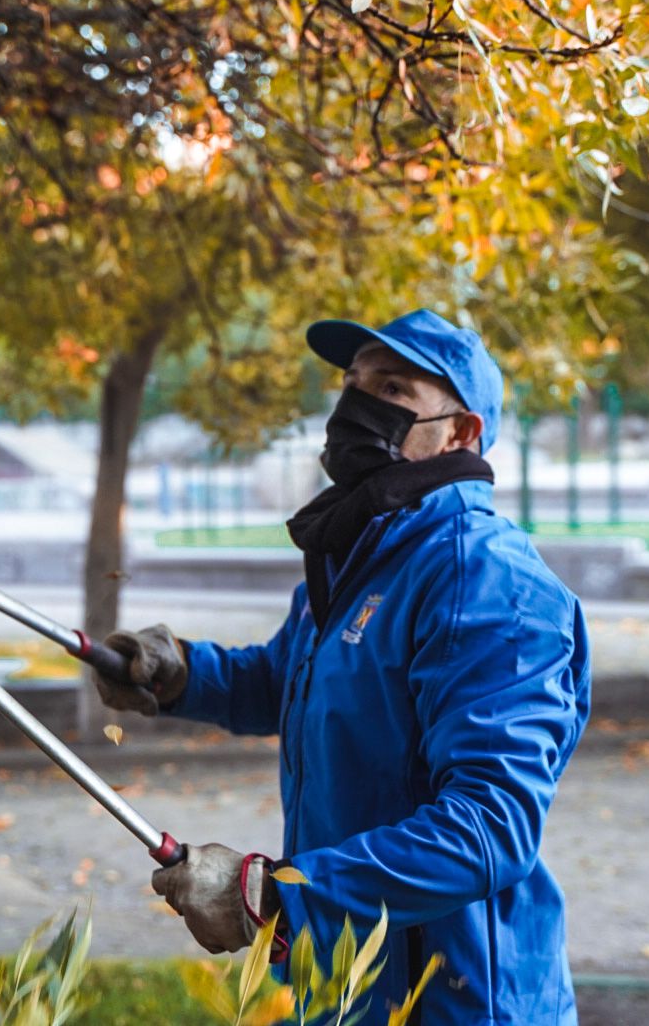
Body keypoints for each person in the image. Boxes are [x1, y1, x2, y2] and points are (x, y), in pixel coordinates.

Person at [95, 308, 591, 1025]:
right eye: (353, 382)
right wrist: (178, 674)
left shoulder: (487, 580)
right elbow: (287, 681)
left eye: (392, 391)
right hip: (347, 985)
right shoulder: (360, 555)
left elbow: (490, 828)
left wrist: (283, 894)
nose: (356, 405)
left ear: (461, 432)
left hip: (459, 1000)